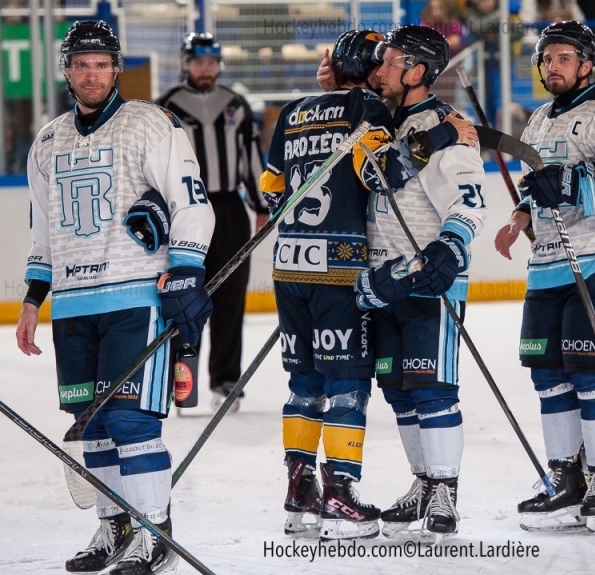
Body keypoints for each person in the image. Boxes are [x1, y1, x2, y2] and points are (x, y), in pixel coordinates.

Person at [16, 20, 214, 574]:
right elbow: (43, 232)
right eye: (81, 64)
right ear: (67, 71)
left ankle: (155, 533)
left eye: (102, 63)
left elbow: (193, 203)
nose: (92, 73)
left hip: (135, 300)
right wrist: (34, 299)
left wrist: (183, 269)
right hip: (75, 305)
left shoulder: (151, 123)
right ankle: (114, 527)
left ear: (117, 68)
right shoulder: (48, 141)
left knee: (131, 424)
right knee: (93, 427)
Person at [493, 20, 595, 533]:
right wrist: (519, 216)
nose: (551, 66)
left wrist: (576, 182)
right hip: (548, 262)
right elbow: (537, 186)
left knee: (591, 370)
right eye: (546, 58)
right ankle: (566, 479)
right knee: (548, 376)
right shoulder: (537, 120)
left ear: (587, 64)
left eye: (563, 57)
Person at [260, 29, 395, 541]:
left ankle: (300, 489)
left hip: (289, 267)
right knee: (347, 385)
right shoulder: (370, 109)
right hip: (341, 270)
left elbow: (270, 187)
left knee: (304, 383)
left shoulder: (293, 111)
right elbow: (384, 174)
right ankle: (340, 492)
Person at [354, 25, 486, 542]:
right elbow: (375, 174)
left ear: (417, 71)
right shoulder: (380, 122)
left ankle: (445, 490)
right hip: (385, 281)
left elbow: (470, 197)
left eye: (389, 62)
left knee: (432, 390)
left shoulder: (443, 122)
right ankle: (423, 482)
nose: (378, 70)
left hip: (429, 279)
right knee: (397, 391)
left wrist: (450, 246)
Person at [156, 32, 268, 411]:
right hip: (182, 210)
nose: (206, 69)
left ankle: (226, 380)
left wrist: (261, 206)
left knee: (230, 297)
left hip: (230, 210)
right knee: (182, 294)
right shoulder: (165, 108)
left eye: (212, 62)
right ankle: (178, 379)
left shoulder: (236, 104)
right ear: (185, 63)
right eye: (198, 62)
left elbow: (252, 162)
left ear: (219, 65)